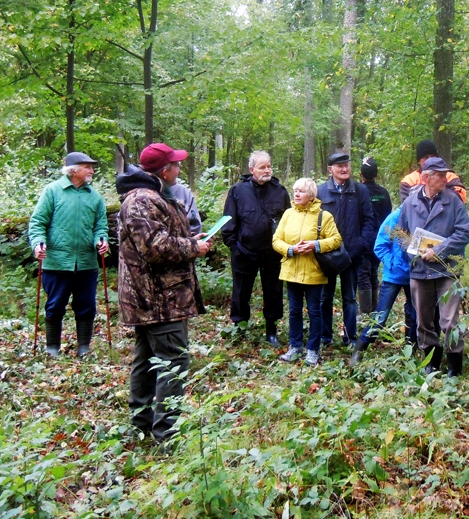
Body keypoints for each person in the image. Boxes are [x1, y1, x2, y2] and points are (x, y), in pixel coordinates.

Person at [116, 142, 211, 442]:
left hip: (156, 297)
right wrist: (193, 247)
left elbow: (161, 237)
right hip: (157, 298)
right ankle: (165, 432)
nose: (179, 169)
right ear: (164, 170)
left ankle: (142, 424)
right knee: (173, 361)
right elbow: (155, 247)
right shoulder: (143, 200)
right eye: (176, 165)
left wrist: (190, 238)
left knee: (147, 360)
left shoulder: (154, 196)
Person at [28, 151, 109, 358]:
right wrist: (38, 243)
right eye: (87, 166)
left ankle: (84, 348)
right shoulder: (53, 191)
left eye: (91, 166)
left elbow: (101, 226)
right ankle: (52, 348)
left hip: (86, 263)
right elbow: (38, 222)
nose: (91, 170)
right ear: (73, 169)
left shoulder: (95, 197)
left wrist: (101, 240)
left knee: (87, 306)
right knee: (55, 306)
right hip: (56, 262)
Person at [397, 157, 469, 376]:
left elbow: (464, 232)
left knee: (449, 321)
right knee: (423, 321)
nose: (444, 178)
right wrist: (413, 252)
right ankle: (431, 362)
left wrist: (438, 251)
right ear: (426, 177)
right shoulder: (409, 203)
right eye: (440, 175)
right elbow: (401, 235)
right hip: (419, 271)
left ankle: (454, 366)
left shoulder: (453, 200)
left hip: (447, 270)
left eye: (445, 174)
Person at [222, 151, 291, 346]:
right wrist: (234, 247)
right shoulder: (238, 191)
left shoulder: (280, 191)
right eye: (262, 167)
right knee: (241, 292)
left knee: (273, 293)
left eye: (269, 166)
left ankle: (271, 331)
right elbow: (229, 221)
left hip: (272, 254)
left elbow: (288, 221)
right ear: (252, 169)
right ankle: (239, 329)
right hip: (244, 252)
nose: (267, 170)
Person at [273, 178, 342, 366]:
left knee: (314, 311)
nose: (296, 194)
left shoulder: (324, 216)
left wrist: (316, 245)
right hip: (291, 270)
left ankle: (313, 349)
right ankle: (295, 347)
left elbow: (336, 240)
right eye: (295, 190)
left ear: (311, 195)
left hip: (314, 272)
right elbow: (276, 240)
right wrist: (291, 249)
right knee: (294, 311)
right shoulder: (288, 214)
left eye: (301, 191)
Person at [318, 152, 376, 346]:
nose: (344, 169)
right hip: (327, 256)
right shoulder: (320, 192)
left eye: (346, 165)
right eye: (339, 166)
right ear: (330, 169)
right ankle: (325, 336)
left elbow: (369, 220)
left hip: (352, 255)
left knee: (350, 298)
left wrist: (362, 244)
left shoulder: (360, 191)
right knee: (325, 298)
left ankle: (350, 337)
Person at [349, 207, 417, 367]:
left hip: (416, 275)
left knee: (414, 314)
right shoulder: (395, 217)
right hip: (394, 275)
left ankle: (411, 350)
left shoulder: (423, 217)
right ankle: (359, 351)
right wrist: (392, 263)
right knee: (381, 316)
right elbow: (380, 245)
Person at [357, 156, 392, 315]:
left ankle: (366, 313)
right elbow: (389, 215)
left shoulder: (359, 191)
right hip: (380, 240)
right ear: (376, 174)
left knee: (363, 274)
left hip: (364, 239)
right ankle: (373, 311)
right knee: (373, 273)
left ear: (361, 174)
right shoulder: (384, 193)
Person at [400, 139, 467, 203]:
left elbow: (460, 199)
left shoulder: (449, 176)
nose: (430, 160)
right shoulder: (409, 180)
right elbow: (407, 206)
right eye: (426, 157)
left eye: (433, 156)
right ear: (419, 161)